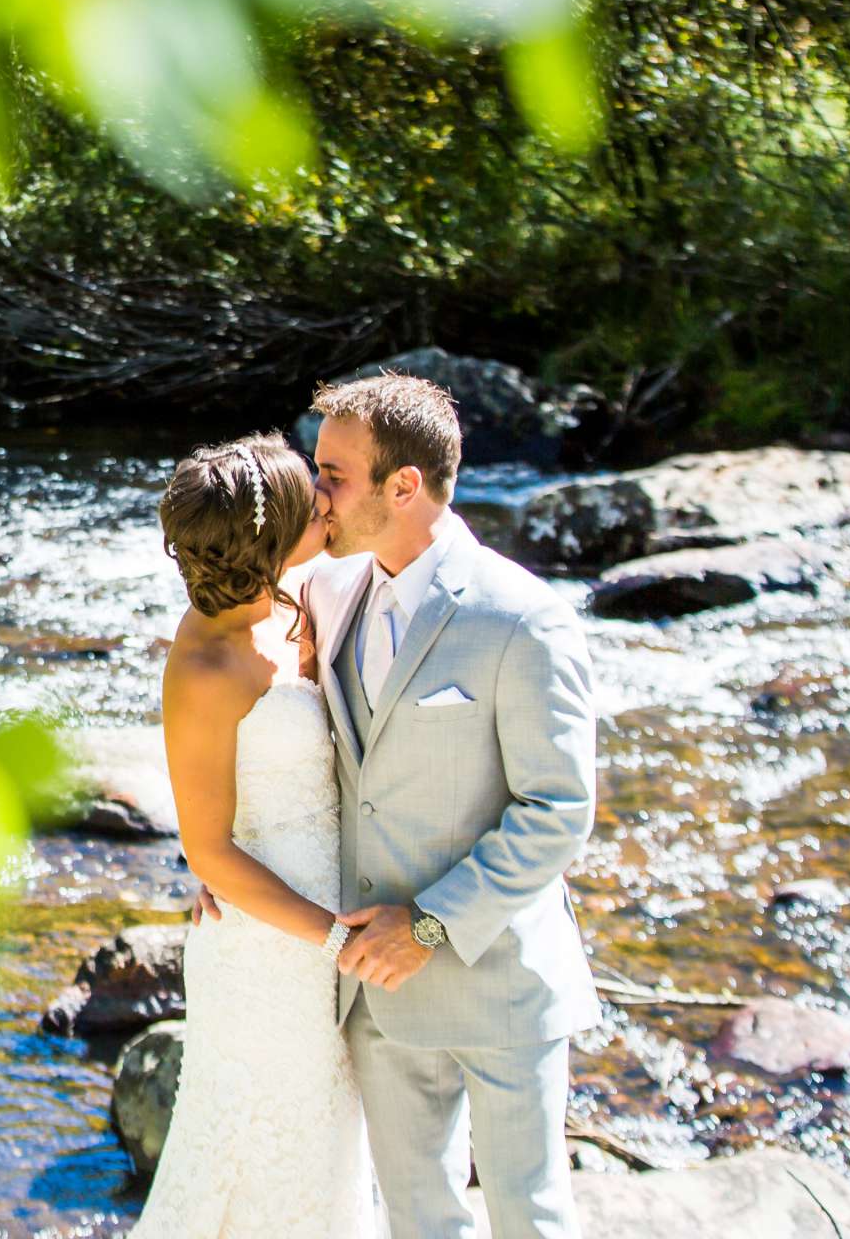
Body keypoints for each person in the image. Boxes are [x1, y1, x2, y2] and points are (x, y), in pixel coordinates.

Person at [284, 372, 601, 1239]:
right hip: (374, 994)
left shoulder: (524, 620)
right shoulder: (327, 594)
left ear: (404, 486)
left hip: (498, 982)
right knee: (419, 1221)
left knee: (529, 1217)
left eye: (333, 474)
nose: (316, 494)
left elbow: (558, 808)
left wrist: (426, 925)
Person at [128, 430, 376, 1239]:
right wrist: (335, 940)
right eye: (313, 496)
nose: (327, 502)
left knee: (331, 1143)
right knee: (259, 1146)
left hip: (334, 909)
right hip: (273, 946)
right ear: (271, 540)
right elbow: (210, 852)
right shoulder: (203, 664)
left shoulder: (305, 596)